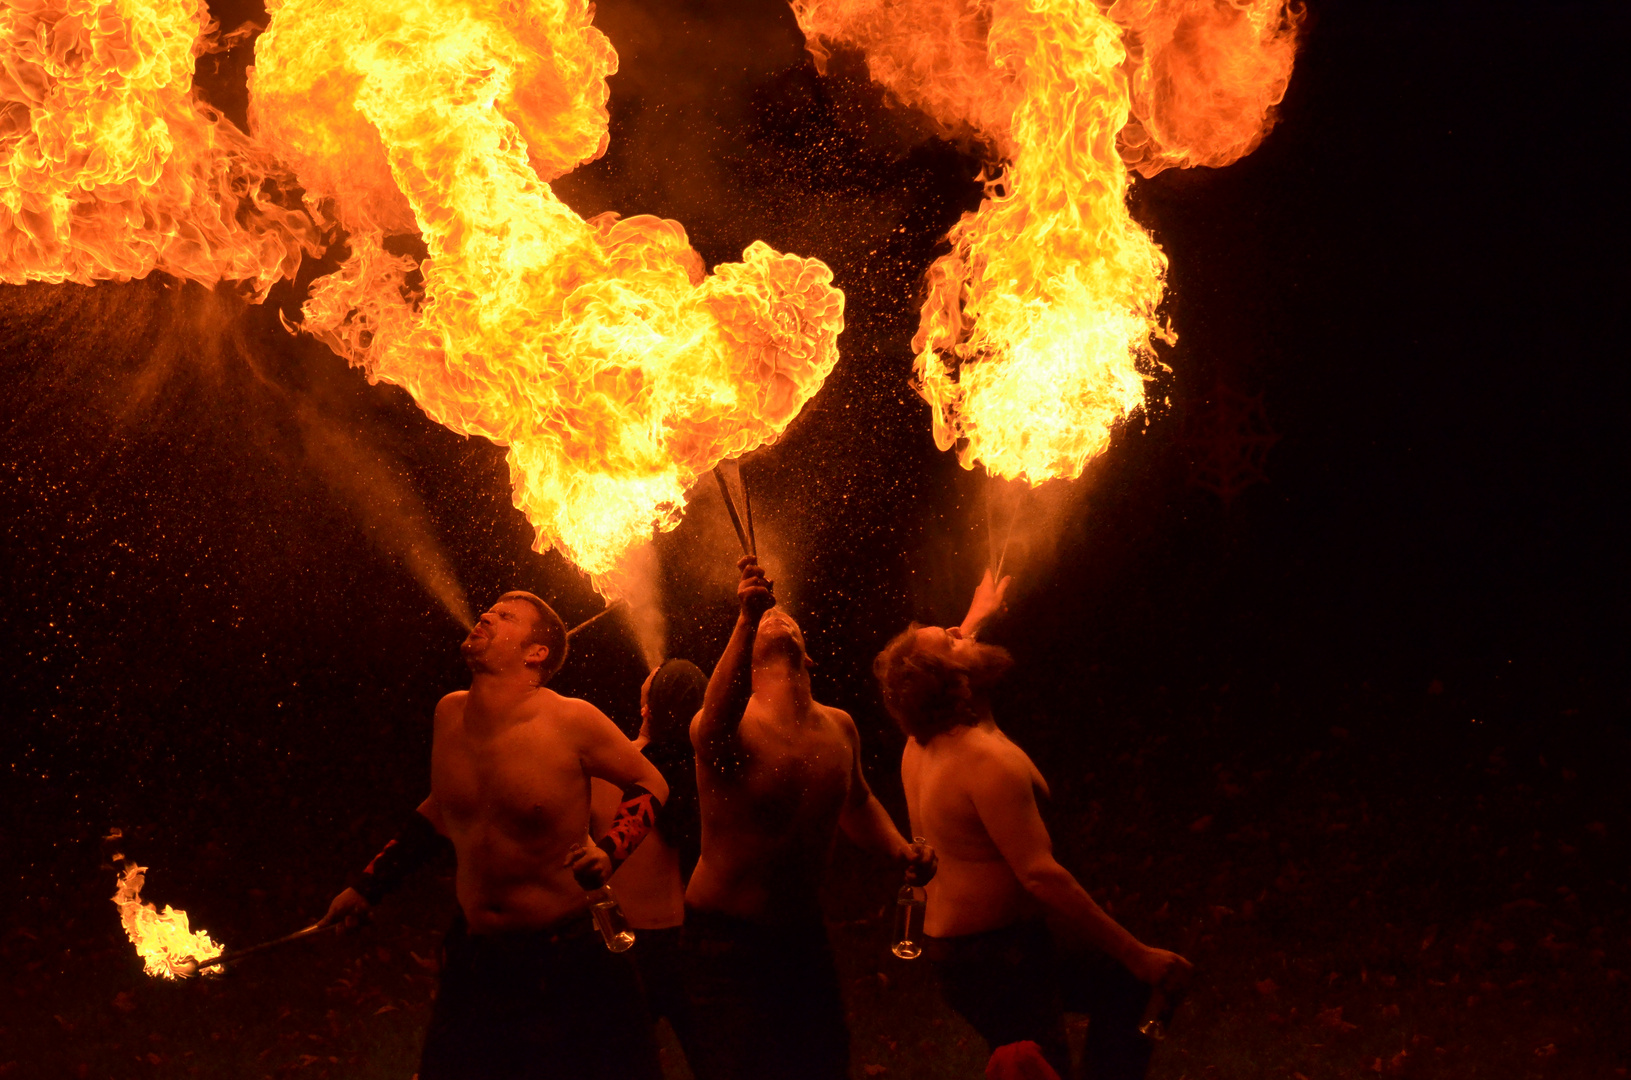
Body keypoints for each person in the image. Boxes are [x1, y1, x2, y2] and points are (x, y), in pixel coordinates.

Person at [319, 591, 670, 1080]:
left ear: (536, 653)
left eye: (506, 616)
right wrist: (367, 886)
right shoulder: (449, 714)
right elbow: (441, 808)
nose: (486, 615)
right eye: (490, 609)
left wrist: (610, 853)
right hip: (477, 958)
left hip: (567, 962)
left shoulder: (571, 720)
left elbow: (651, 781)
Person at [874, 570, 1193, 1080]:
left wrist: (977, 614)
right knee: (1043, 1068)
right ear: (956, 679)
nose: (962, 633)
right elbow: (1040, 875)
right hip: (992, 963)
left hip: (990, 949)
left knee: (1125, 988)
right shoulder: (983, 761)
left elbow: (937, 664)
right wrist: (1138, 953)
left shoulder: (928, 734)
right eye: (953, 638)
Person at [682, 555, 936, 1080]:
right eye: (766, 622)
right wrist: (746, 618)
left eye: (785, 617)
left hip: (801, 938)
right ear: (747, 656)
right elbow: (714, 718)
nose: (779, 617)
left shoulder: (839, 728)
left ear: (810, 656)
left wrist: (900, 849)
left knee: (821, 1064)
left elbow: (859, 801)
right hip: (725, 945)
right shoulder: (730, 728)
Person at [589, 658, 709, 1065]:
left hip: (624, 942)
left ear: (646, 710)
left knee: (620, 1065)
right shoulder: (715, 776)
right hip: (698, 942)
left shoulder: (608, 772)